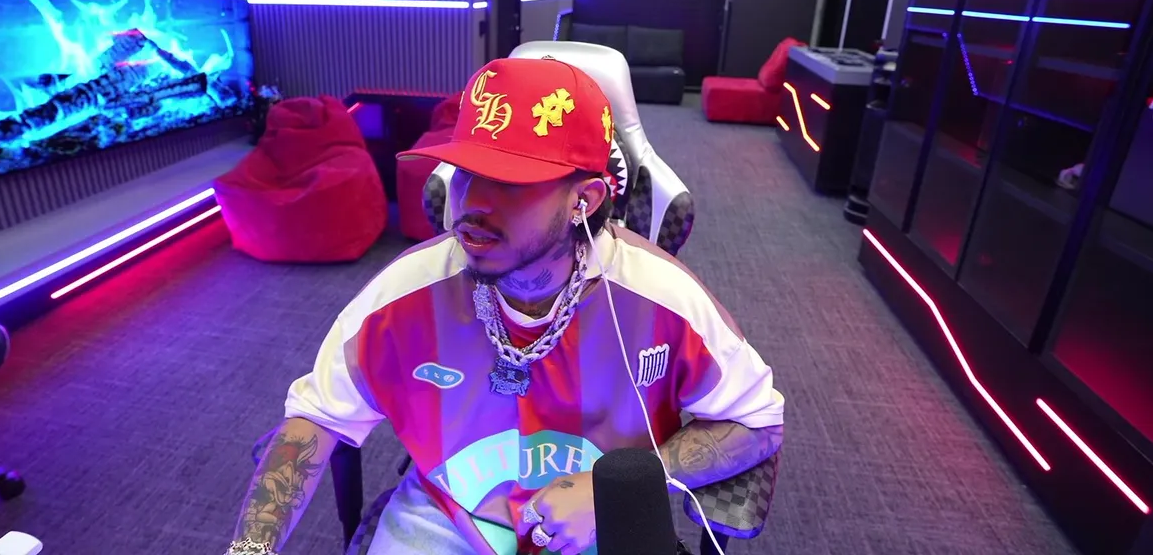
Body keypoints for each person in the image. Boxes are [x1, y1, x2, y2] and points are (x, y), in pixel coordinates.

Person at [225, 57, 785, 555]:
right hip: (446, 518)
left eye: (510, 181)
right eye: (466, 173)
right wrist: (248, 550)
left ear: (584, 199)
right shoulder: (405, 293)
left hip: (598, 522)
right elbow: (316, 419)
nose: (470, 204)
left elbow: (758, 422)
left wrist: (615, 489)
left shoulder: (660, 298)